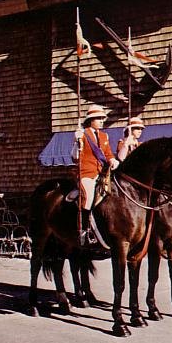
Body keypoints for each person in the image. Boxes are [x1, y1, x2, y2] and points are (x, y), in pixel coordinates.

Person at [72, 104, 119, 246]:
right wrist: (76, 142)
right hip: (87, 173)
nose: (102, 121)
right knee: (89, 198)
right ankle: (84, 230)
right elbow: (74, 157)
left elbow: (108, 153)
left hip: (103, 174)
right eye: (98, 118)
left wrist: (112, 160)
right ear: (91, 120)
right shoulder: (83, 134)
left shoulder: (104, 136)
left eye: (102, 118)